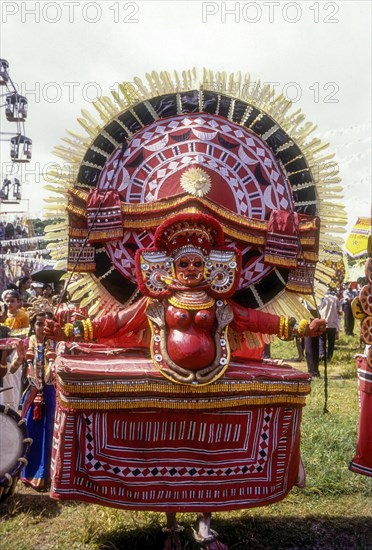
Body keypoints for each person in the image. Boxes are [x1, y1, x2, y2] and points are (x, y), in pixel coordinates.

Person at [45, 213, 327, 547]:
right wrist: (67, 330)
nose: (192, 269)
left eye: (198, 263)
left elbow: (256, 320)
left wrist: (299, 328)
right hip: (168, 381)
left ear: (209, 266)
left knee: (208, 455)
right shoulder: (156, 301)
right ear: (171, 267)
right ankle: (171, 523)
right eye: (185, 264)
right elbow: (114, 322)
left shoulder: (220, 302)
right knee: (167, 458)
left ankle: (205, 523)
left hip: (211, 383)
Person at [20, 299, 56, 491]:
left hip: (52, 394)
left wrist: (55, 359)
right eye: (39, 323)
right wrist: (19, 360)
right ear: (33, 325)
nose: (42, 327)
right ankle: (30, 474)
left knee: (51, 432)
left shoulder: (58, 345)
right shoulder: (27, 344)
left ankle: (50, 477)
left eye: (46, 324)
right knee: (31, 432)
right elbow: (17, 369)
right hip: (33, 395)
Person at [318, 287, 342, 361]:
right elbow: (340, 311)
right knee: (331, 341)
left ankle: (322, 354)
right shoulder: (336, 299)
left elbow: (318, 309)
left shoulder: (322, 298)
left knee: (322, 339)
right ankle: (329, 356)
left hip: (324, 322)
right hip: (333, 323)